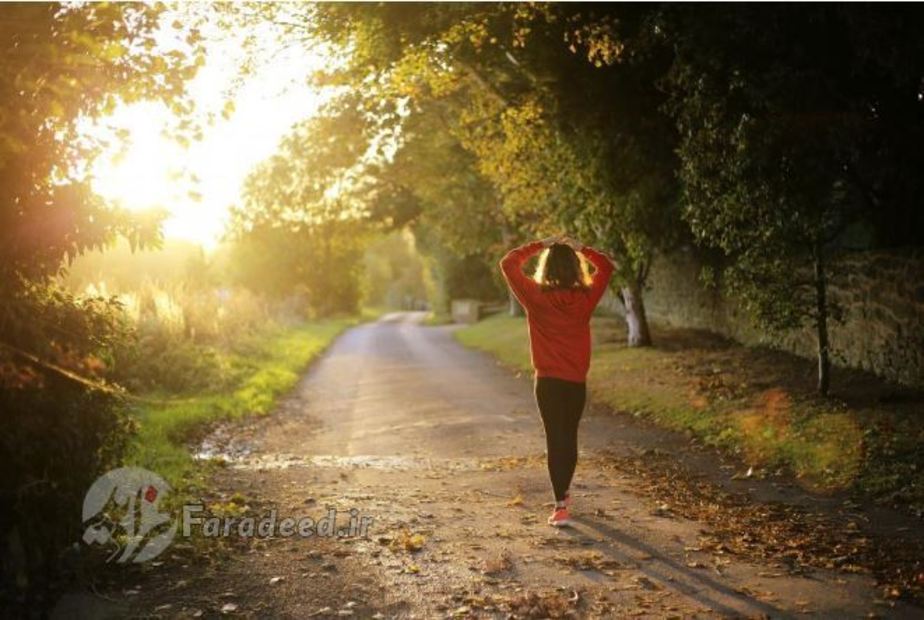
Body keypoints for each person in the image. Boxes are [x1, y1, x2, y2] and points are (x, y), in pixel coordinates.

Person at [499, 235, 615, 527]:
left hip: (548, 382)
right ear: (576, 268)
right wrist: (582, 248)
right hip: (575, 382)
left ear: (546, 267)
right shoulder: (586, 297)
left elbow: (508, 263)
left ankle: (560, 504)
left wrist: (540, 244)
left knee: (555, 438)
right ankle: (564, 494)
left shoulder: (535, 297)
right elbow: (607, 266)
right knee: (569, 436)